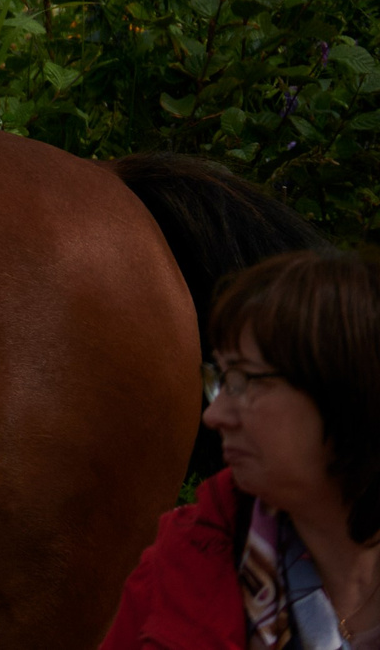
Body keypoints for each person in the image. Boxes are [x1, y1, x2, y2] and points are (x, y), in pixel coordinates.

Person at [102, 249, 380, 650]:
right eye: (221, 379)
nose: (214, 416)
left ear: (344, 396)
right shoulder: (180, 561)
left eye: (245, 381)